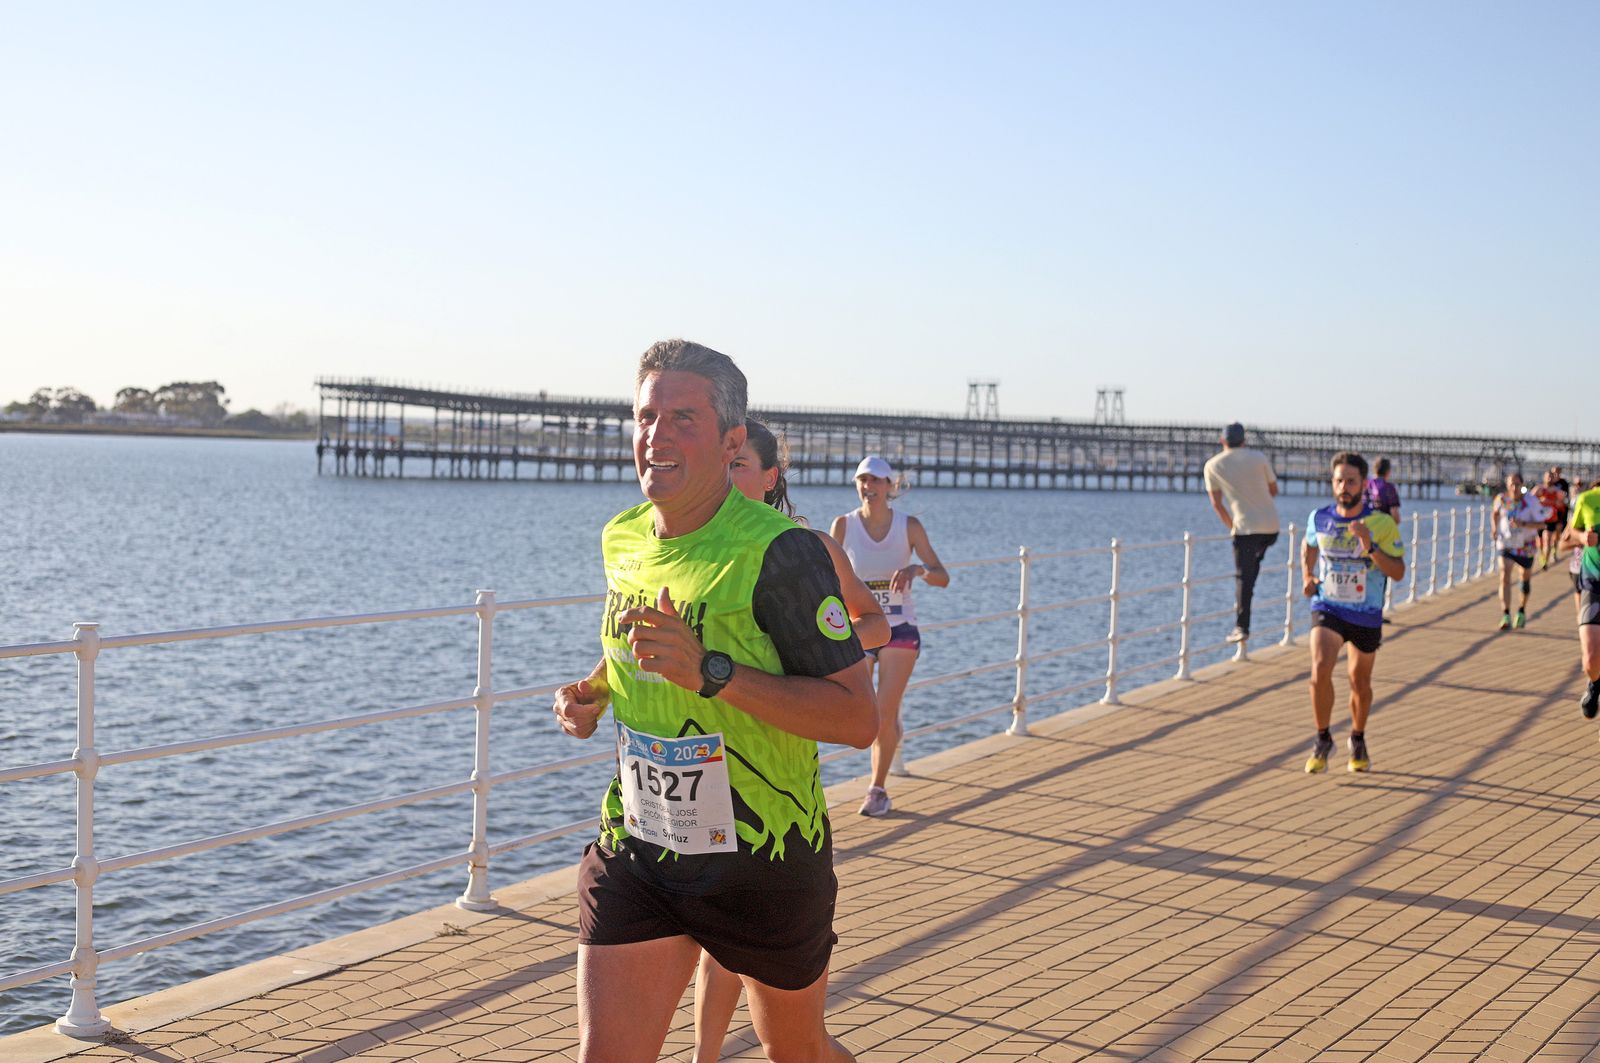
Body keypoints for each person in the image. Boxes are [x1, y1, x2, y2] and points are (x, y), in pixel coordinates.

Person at [551, 339, 876, 1063]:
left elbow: (858, 716)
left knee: (796, 1050)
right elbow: (637, 651)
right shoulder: (623, 537)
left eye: (682, 418)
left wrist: (716, 674)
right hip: (644, 845)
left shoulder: (783, 554)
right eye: (645, 415)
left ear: (733, 440)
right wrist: (594, 692)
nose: (655, 435)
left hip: (764, 858)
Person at [693, 419, 889, 1063]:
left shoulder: (804, 549)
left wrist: (802, 655)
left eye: (741, 464)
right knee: (711, 940)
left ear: (770, 477)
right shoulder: (691, 546)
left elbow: (874, 624)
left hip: (774, 780)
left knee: (789, 1035)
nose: (728, 476)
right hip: (699, 771)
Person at [831, 455, 949, 818]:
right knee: (861, 708)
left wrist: (917, 569)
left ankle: (877, 789)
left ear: (890, 487)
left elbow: (941, 575)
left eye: (877, 481)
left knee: (882, 712)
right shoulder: (843, 526)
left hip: (899, 627)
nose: (870, 488)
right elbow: (826, 579)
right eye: (863, 481)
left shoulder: (908, 526)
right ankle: (892, 729)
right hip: (861, 627)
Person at [1302, 452, 1406, 774]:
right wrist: (1307, 575)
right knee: (1320, 667)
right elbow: (1309, 545)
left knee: (1359, 681)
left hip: (1366, 611)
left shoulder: (1382, 523)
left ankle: (1357, 738)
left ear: (1364, 484)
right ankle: (1323, 739)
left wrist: (1370, 545)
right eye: (1338, 481)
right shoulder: (1319, 517)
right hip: (1328, 605)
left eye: (1350, 481)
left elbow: (1399, 571)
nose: (1343, 487)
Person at [1203, 422, 1281, 644]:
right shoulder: (1259, 457)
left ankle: (1241, 627)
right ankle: (1255, 564)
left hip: (1246, 529)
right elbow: (1273, 491)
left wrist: (1232, 526)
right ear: (1244, 440)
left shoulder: (1212, 466)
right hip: (1271, 527)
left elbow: (1216, 504)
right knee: (1252, 569)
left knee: (1243, 579)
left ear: (1222, 441)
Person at [1561, 478, 1600, 718]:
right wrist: (1583, 537)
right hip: (1593, 582)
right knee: (1591, 659)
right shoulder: (1587, 499)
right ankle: (1595, 683)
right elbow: (1570, 534)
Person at [1492, 472, 1550, 630]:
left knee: (1524, 579)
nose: (1514, 487)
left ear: (1522, 485)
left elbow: (1542, 525)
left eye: (1517, 484)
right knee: (1504, 573)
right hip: (1506, 544)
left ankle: (1521, 611)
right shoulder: (1501, 499)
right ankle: (1505, 614)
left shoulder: (1531, 502)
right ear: (1507, 485)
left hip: (1526, 546)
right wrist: (1494, 529)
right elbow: (1495, 513)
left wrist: (1523, 524)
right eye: (1511, 484)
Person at [1534, 468, 1569, 570]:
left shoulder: (1557, 491)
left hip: (1552, 519)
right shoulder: (1538, 489)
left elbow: (1562, 504)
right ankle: (1541, 554)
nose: (1549, 478)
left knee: (1548, 539)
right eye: (1547, 476)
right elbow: (1529, 500)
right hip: (1539, 519)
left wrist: (1553, 502)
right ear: (1544, 478)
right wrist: (1540, 500)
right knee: (1540, 541)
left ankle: (1545, 562)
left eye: (1551, 477)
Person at [1365, 457, 1402, 523]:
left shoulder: (1365, 484)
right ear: (1388, 471)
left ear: (1374, 469)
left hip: (1367, 525)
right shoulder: (1389, 488)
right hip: (1384, 526)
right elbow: (1395, 514)